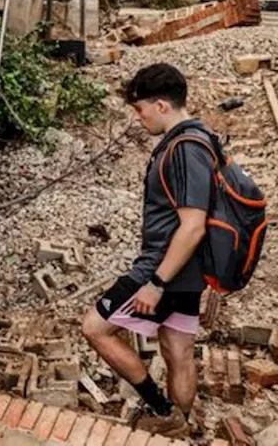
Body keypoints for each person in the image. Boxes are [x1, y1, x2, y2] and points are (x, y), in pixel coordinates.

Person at [81, 63, 212, 438]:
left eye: (140, 110)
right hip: (189, 270)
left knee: (95, 327)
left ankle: (160, 406)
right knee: (177, 347)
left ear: (162, 105)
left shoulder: (185, 150)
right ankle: (182, 423)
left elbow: (193, 225)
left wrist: (156, 283)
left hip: (164, 269)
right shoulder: (200, 138)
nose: (139, 119)